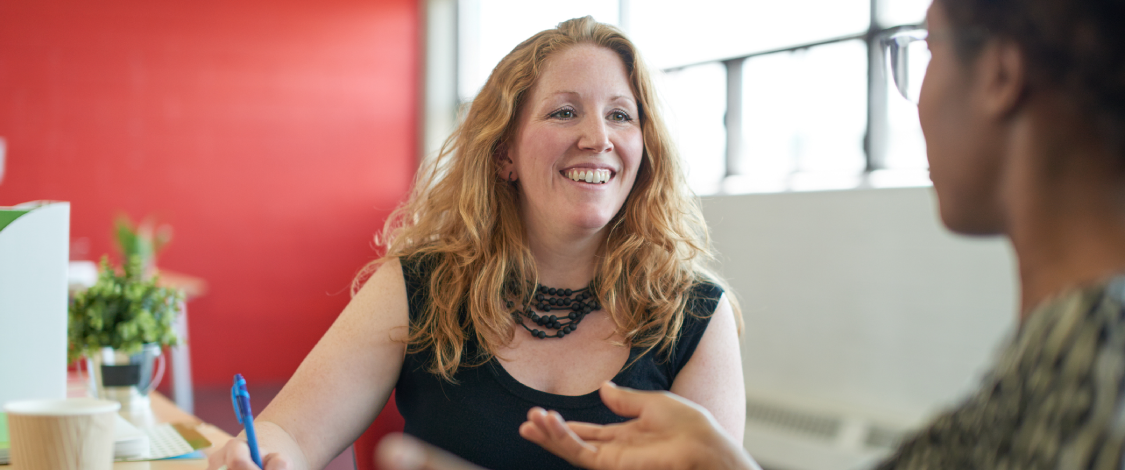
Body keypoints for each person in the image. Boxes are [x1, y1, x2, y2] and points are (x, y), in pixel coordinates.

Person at [378, 0, 1125, 467]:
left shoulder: (1099, 357)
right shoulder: (1053, 362)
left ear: (999, 73)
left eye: (922, 46)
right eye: (564, 112)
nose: (917, 91)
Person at [206, 16, 745, 470]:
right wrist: (258, 456)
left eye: (620, 115)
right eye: (564, 111)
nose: (598, 138)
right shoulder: (419, 285)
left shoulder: (695, 315)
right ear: (504, 154)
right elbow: (291, 434)